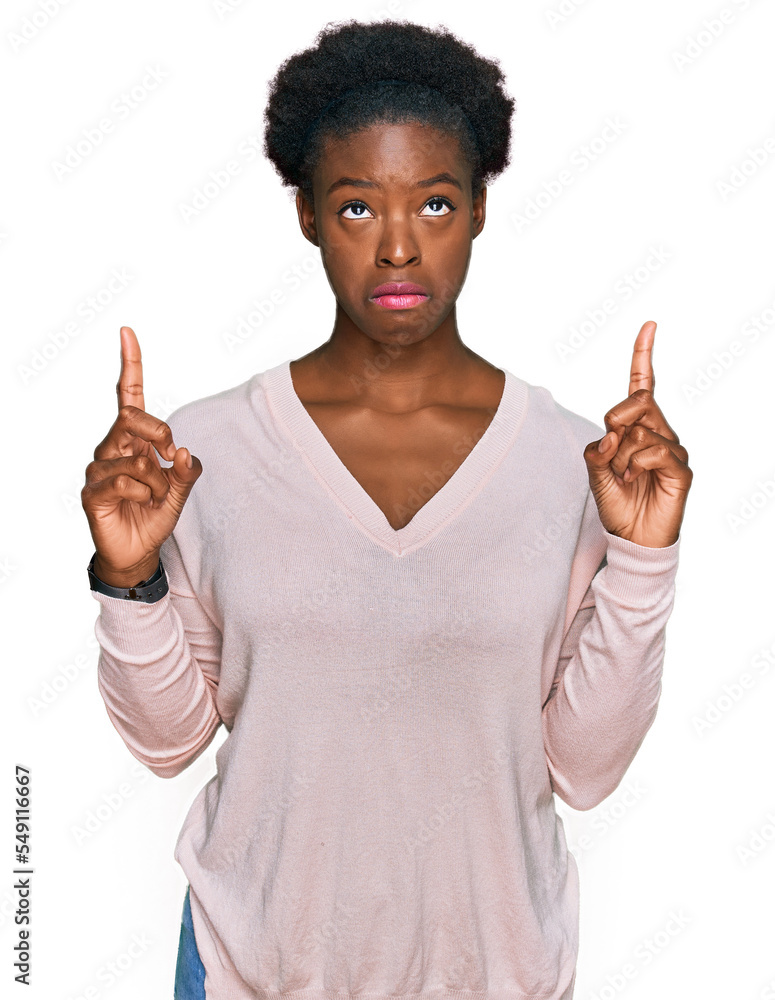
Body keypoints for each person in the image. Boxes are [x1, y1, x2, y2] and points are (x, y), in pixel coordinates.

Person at [81, 19, 692, 1000]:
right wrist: (129, 575)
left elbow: (583, 768)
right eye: (359, 205)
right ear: (310, 215)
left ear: (480, 209)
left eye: (436, 203)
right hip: (251, 971)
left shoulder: (572, 461)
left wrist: (643, 553)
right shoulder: (204, 452)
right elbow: (168, 741)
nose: (400, 245)